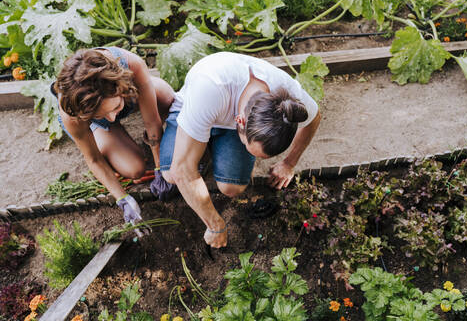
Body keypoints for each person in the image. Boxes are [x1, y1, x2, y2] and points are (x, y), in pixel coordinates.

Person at [158, 52, 321, 248]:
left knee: (231, 187)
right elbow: (181, 170)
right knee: (170, 174)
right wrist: (215, 225)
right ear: (241, 122)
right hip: (193, 109)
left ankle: (202, 147)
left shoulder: (289, 100)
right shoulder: (210, 87)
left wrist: (289, 163)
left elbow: (314, 117)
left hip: (225, 121)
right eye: (250, 149)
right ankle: (200, 143)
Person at [54, 47, 175, 232]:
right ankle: (106, 134)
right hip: (94, 124)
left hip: (128, 94)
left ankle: (121, 115)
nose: (111, 117)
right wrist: (123, 199)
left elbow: (152, 122)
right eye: (103, 113)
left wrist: (160, 168)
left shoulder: (132, 65)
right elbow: (93, 159)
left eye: (114, 107)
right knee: (134, 170)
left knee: (166, 97)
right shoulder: (73, 114)